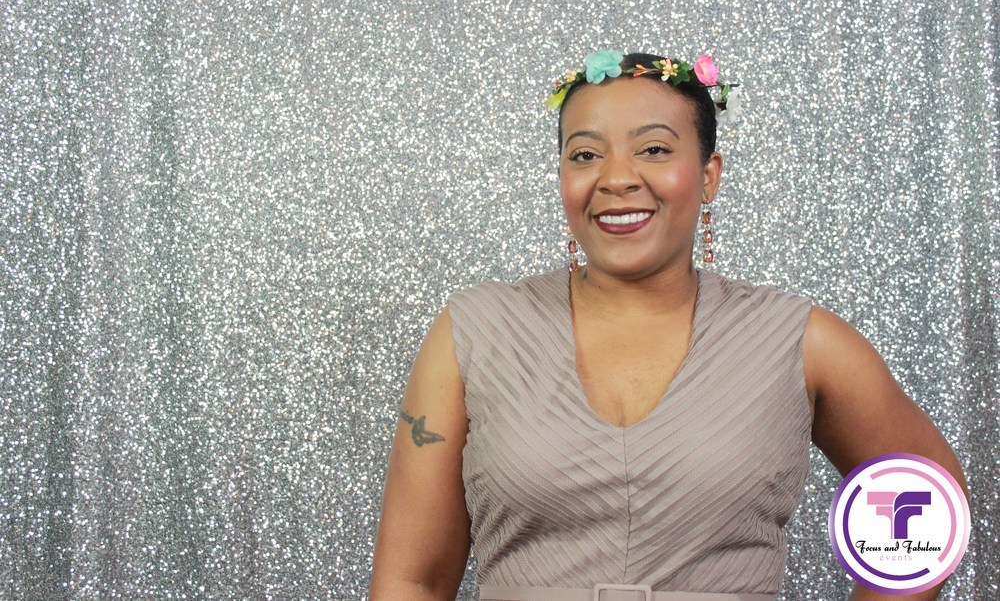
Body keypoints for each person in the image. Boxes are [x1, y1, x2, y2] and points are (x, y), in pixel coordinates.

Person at [368, 50, 967, 601]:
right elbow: (412, 579)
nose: (617, 178)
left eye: (654, 149)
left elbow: (928, 491)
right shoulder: (474, 333)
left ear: (709, 175)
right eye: (585, 154)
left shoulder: (801, 341)